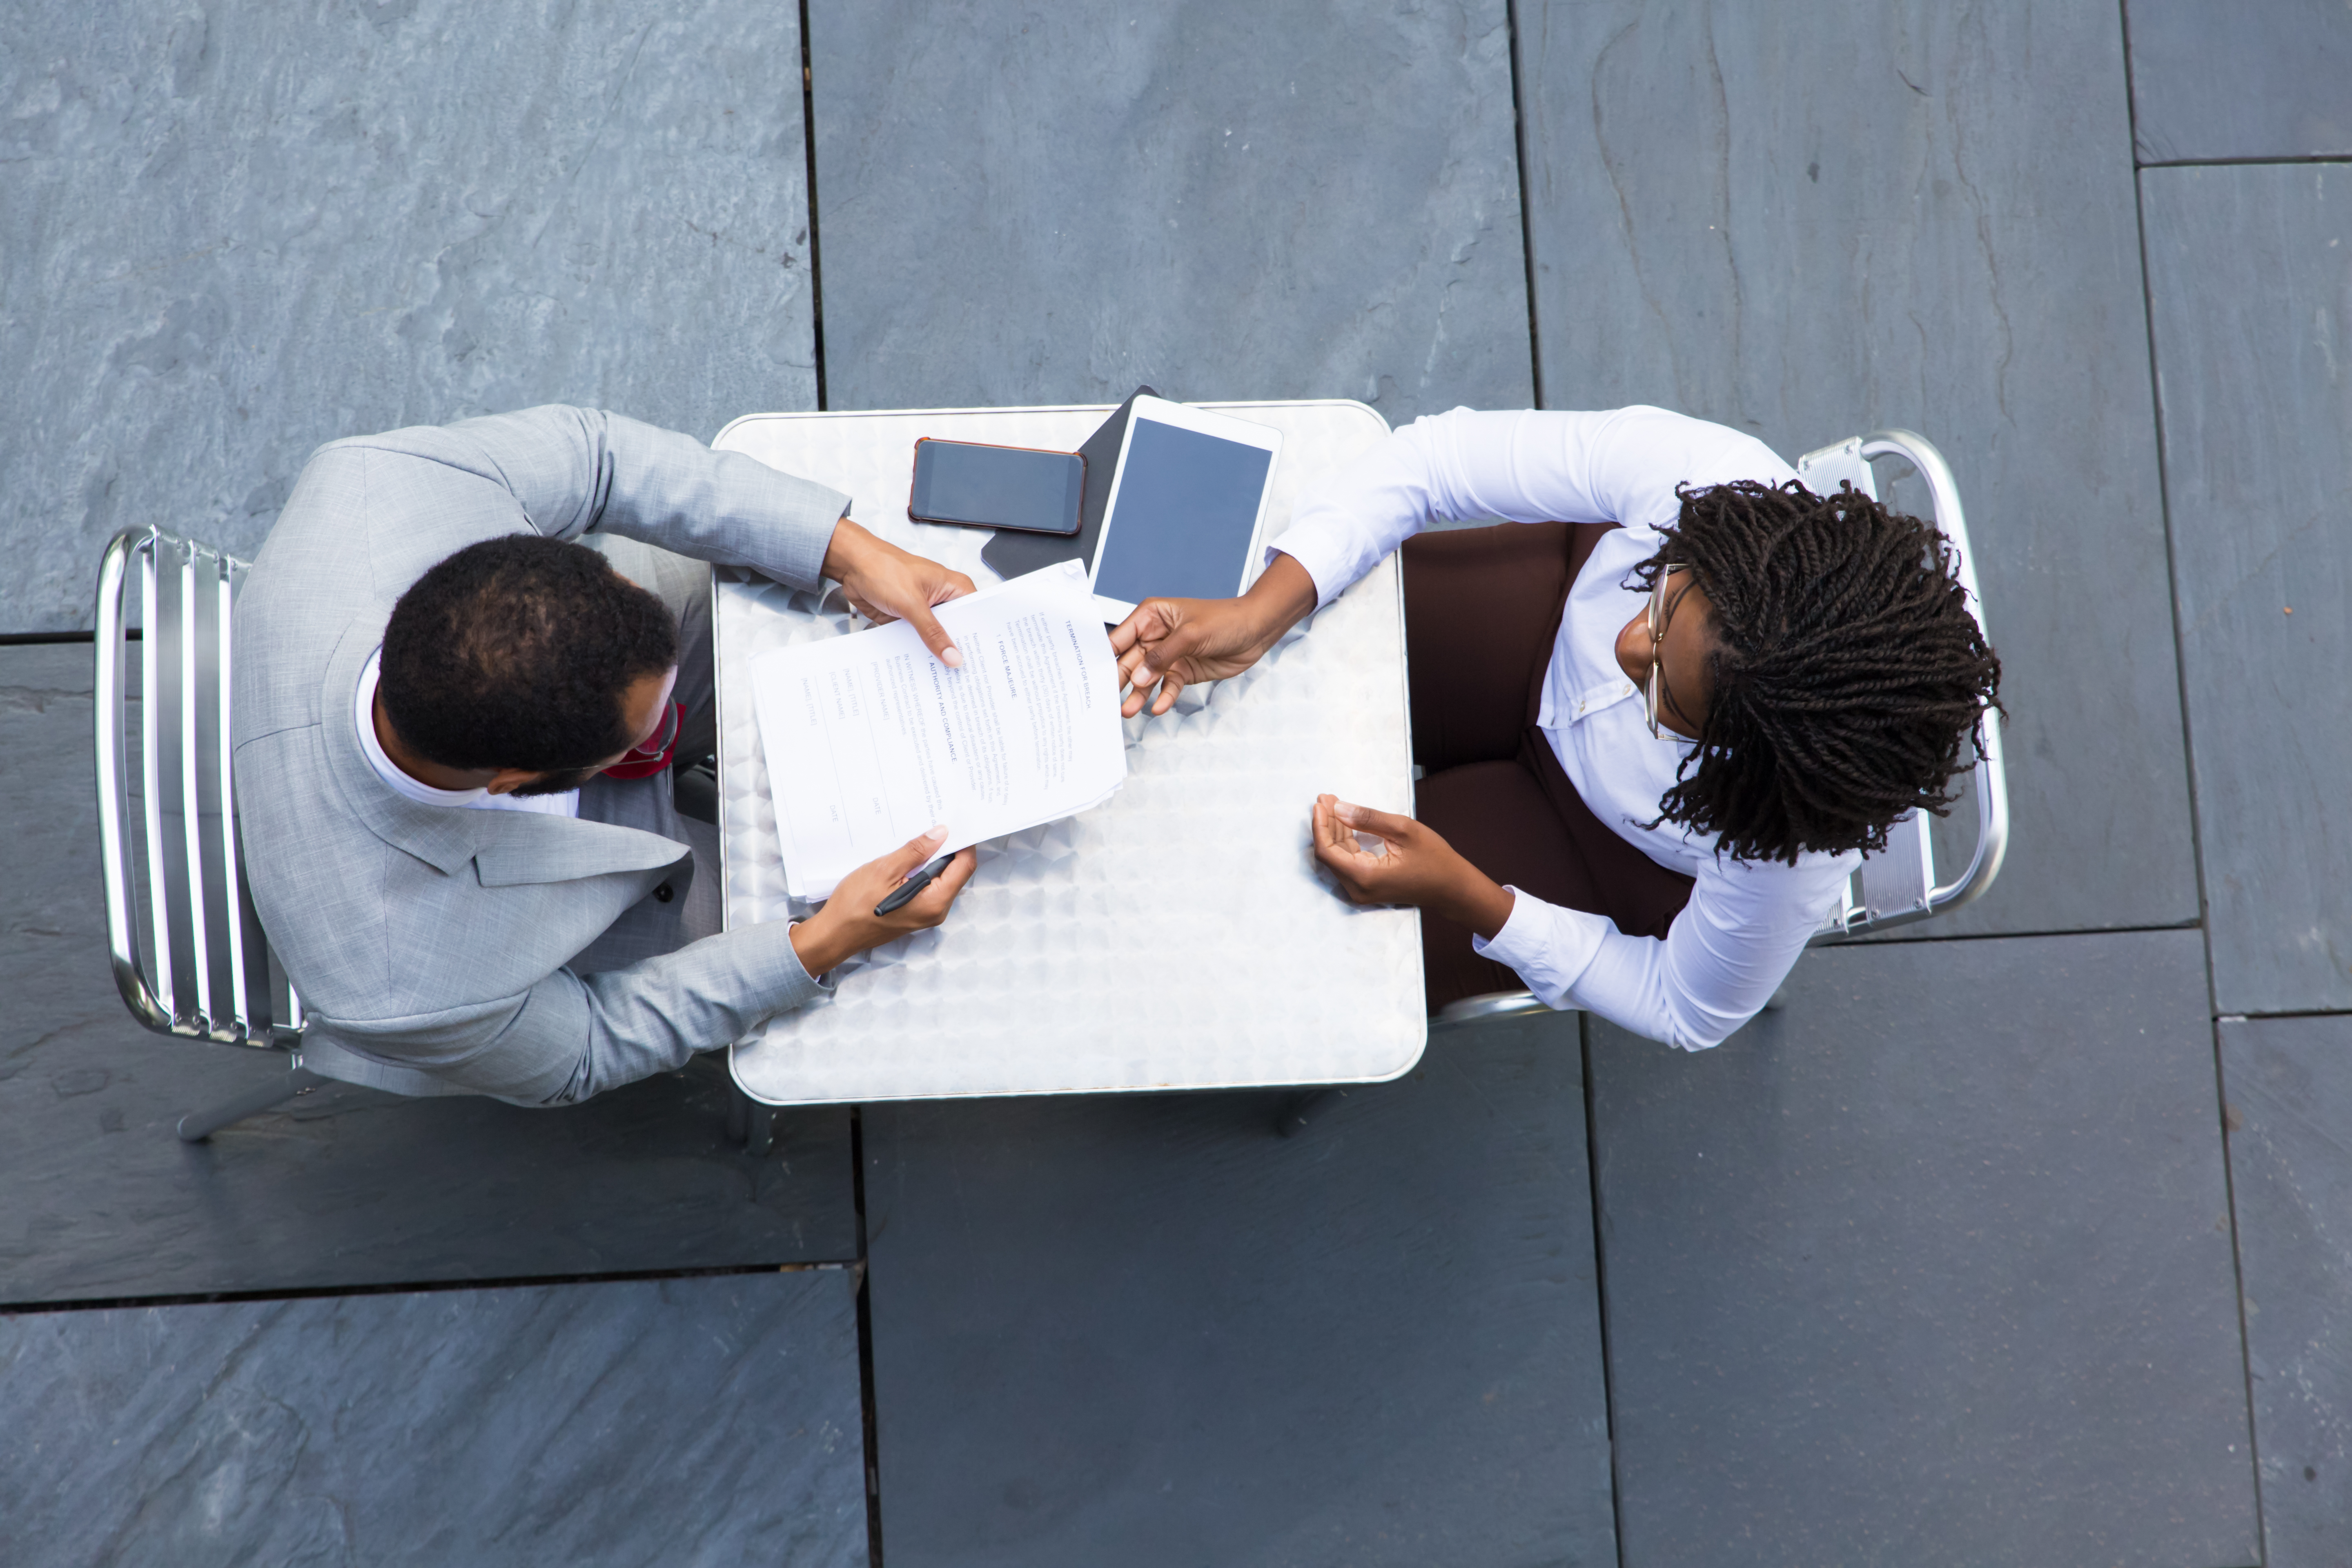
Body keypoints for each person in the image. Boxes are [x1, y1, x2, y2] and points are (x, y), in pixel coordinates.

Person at [1109, 405, 2002, 1050]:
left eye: (1665, 700)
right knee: (1291, 634)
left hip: (1588, 847)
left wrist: (1474, 900)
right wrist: (1265, 610)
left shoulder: (1788, 851)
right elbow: (1433, 463)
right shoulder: (1712, 475)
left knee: (1283, 932)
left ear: (1745, 769)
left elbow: (1685, 1009)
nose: (1627, 644)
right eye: (1662, 597)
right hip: (1535, 625)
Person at [232, 405, 978, 1104]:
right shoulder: (401, 988)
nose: (672, 718)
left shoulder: (380, 482)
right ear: (517, 780)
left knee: (825, 609)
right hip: (580, 909)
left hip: (562, 691)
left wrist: (848, 552)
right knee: (904, 925)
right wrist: (822, 942)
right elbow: (589, 1047)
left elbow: (601, 460)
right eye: (646, 728)